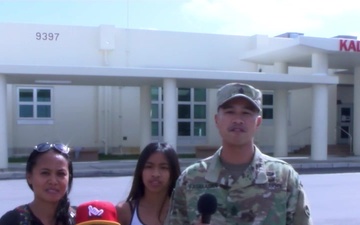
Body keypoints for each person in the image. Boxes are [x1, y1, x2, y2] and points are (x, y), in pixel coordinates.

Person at [167, 83, 313, 225]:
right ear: (217, 120)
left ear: (258, 122)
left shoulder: (285, 178)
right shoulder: (191, 179)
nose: (238, 120)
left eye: (246, 113)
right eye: (230, 112)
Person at [0, 142, 75, 225]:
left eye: (60, 174)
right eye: (45, 173)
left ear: (69, 177)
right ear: (29, 177)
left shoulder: (81, 218)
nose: (53, 181)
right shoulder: (12, 221)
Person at [116, 142, 181, 225]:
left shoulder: (185, 211)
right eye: (149, 166)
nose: (155, 174)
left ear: (172, 173)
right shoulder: (124, 211)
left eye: (163, 167)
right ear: (140, 171)